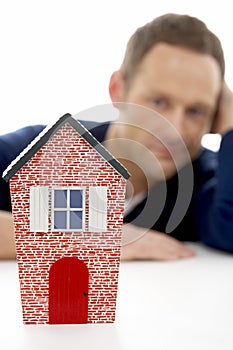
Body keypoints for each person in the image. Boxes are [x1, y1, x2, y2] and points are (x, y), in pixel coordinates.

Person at [1, 13, 233, 260]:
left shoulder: (208, 181)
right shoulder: (41, 148)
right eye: (158, 102)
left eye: (196, 111)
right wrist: (88, 237)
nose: (174, 129)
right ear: (117, 89)